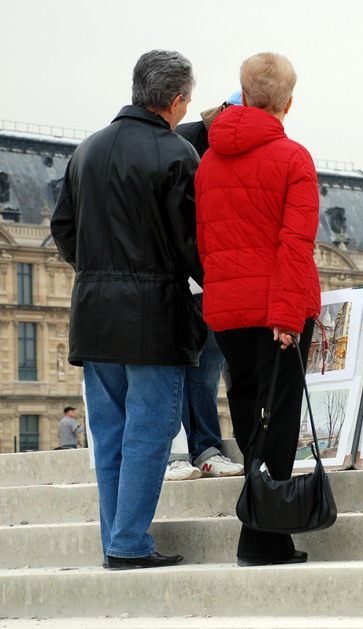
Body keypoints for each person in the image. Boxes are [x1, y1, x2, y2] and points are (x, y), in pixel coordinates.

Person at [50, 50, 204, 570]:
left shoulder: (87, 150)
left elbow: (63, 229)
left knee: (110, 432)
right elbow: (191, 244)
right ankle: (130, 542)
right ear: (177, 99)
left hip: (93, 310)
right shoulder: (177, 152)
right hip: (155, 313)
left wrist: (95, 270)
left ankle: (117, 540)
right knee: (151, 428)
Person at [195, 52, 321, 567]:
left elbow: (205, 244)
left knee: (249, 416)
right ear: (288, 103)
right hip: (277, 310)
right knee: (281, 420)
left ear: (242, 96)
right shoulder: (294, 158)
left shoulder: (208, 160)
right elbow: (296, 244)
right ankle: (263, 538)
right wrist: (289, 318)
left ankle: (264, 534)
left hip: (227, 310)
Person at [163, 92, 247, 482]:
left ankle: (205, 448)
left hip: (215, 277)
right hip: (190, 276)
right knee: (188, 369)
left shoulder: (228, 144)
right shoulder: (182, 141)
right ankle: (189, 449)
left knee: (207, 369)